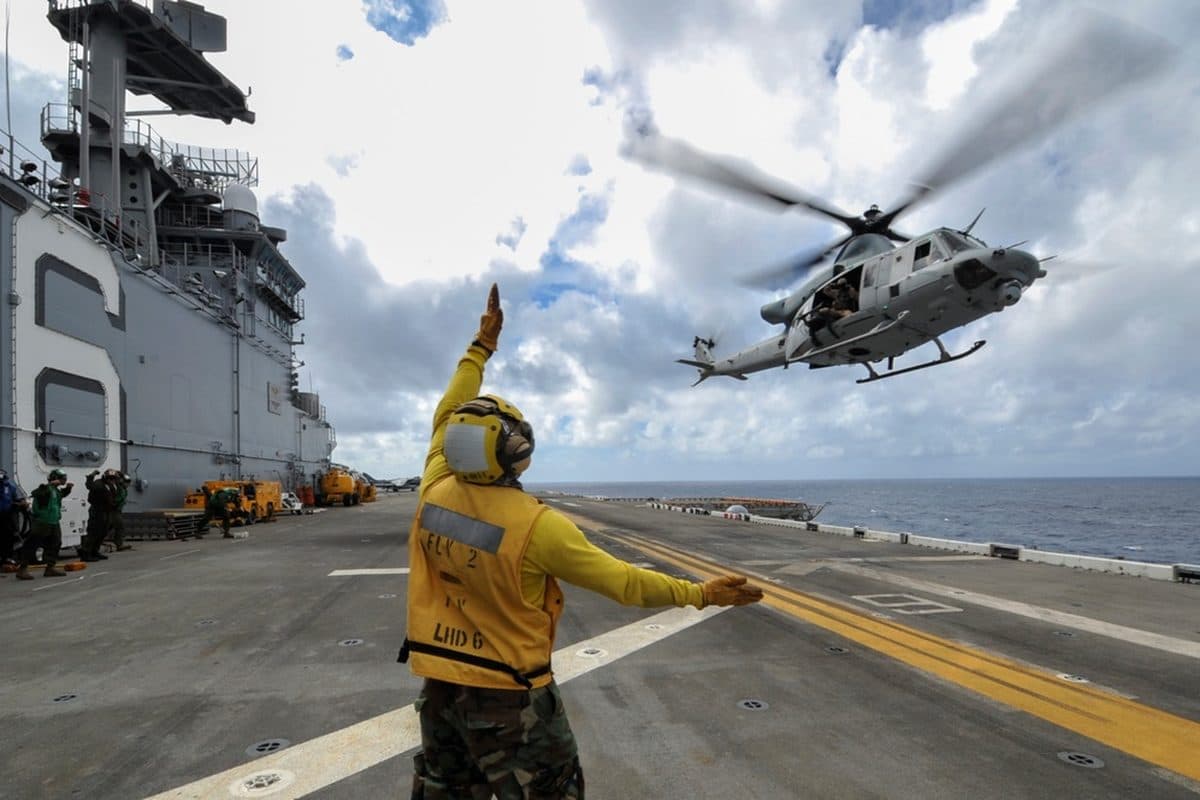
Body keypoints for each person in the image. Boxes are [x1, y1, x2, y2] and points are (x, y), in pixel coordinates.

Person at [400, 284, 764, 798]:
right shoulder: (537, 526)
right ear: (514, 447)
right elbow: (625, 583)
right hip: (511, 700)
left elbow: (447, 409)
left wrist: (479, 348)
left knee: (446, 791)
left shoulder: (434, 487)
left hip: (439, 689)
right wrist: (701, 593)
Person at [17, 469, 74, 580]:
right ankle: (22, 569)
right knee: (32, 544)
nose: (64, 479)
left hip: (54, 521)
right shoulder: (44, 489)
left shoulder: (56, 491)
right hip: (42, 521)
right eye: (61, 477)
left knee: (55, 544)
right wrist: (49, 485)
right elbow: (36, 493)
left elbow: (61, 495)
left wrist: (68, 489)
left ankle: (50, 567)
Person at [80, 469, 115, 562]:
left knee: (103, 532)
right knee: (93, 532)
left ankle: (95, 551)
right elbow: (89, 486)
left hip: (106, 511)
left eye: (113, 478)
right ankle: (86, 553)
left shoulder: (110, 485)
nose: (112, 480)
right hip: (97, 510)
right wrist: (91, 476)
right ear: (105, 477)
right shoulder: (99, 484)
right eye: (110, 478)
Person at [0, 468, 29, 568]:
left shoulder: (9, 486)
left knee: (8, 536)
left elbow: (14, 498)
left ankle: (7, 557)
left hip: (7, 515)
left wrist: (20, 502)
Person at [111, 472, 132, 551]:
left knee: (115, 527)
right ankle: (119, 544)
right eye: (127, 483)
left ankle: (119, 543)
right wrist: (119, 476)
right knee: (120, 526)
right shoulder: (119, 488)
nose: (128, 484)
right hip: (114, 510)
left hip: (117, 510)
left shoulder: (123, 489)